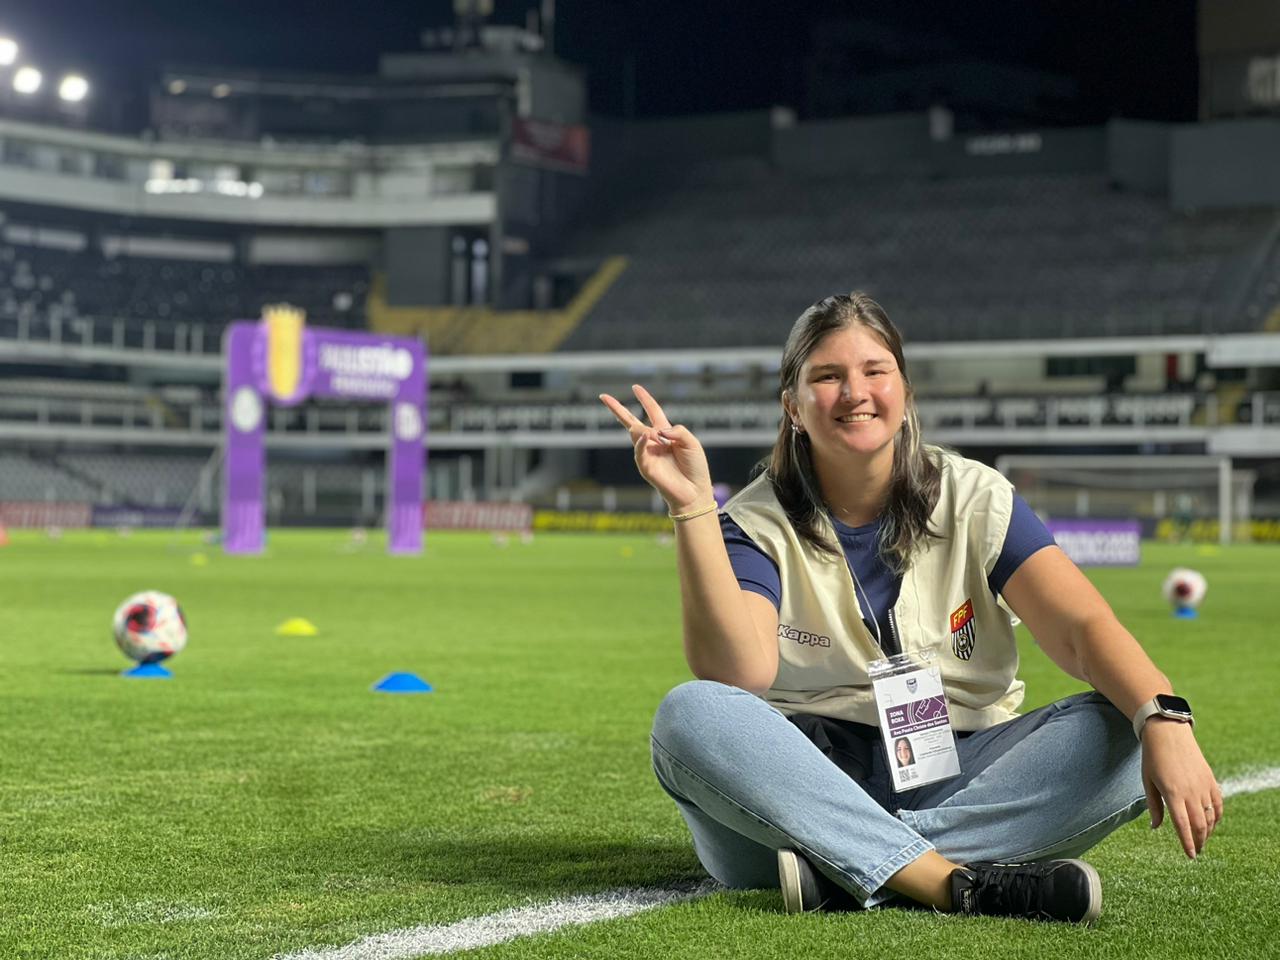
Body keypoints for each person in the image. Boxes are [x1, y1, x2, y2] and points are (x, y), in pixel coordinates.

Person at [599, 292, 1221, 923]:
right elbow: (741, 673)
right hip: (799, 784)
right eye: (827, 376)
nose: (855, 392)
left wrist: (1163, 717)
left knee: (1126, 723)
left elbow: (1082, 628)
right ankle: (954, 880)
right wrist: (694, 507)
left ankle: (844, 870)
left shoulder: (974, 496)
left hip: (952, 775)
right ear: (793, 406)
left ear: (905, 389)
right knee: (690, 714)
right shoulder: (754, 521)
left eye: (875, 371)